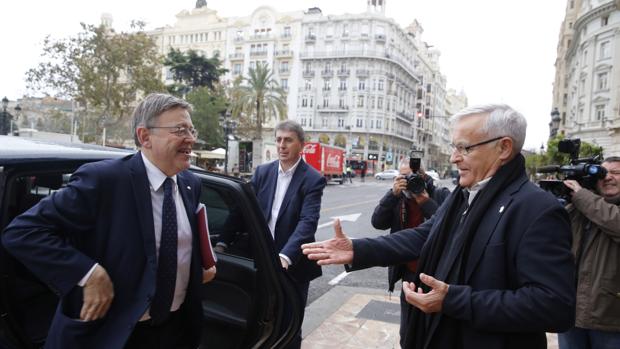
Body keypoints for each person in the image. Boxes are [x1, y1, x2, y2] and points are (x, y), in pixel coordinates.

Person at [302, 104, 575, 349]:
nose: (455, 158)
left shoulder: (537, 209)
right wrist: (357, 249)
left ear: (503, 148)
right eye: (454, 147)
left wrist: (453, 300)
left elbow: (554, 306)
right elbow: (425, 235)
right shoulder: (463, 194)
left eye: (464, 148)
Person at [2, 93, 216, 349]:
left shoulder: (191, 184)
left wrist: (199, 266)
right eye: (180, 130)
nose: (191, 138)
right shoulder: (105, 181)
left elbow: (177, 244)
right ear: (144, 136)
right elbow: (23, 232)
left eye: (192, 129)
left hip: (175, 331)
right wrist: (87, 273)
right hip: (113, 334)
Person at [251, 120, 327, 349]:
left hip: (292, 266)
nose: (282, 145)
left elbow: (307, 222)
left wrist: (285, 256)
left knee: (289, 328)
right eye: (278, 140)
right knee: (258, 320)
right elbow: (242, 211)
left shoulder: (313, 179)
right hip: (262, 261)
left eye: (288, 140)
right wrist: (223, 243)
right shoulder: (262, 172)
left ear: (301, 145)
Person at [371, 160, 450, 347]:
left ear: (422, 176)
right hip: (409, 273)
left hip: (435, 274)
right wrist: (392, 195)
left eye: (411, 177)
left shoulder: (440, 194)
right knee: (406, 333)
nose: (408, 181)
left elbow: (450, 228)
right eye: (403, 177)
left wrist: (425, 202)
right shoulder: (398, 198)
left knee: (432, 332)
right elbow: (377, 222)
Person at [559, 157, 620, 349]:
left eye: (616, 173)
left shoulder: (585, 200)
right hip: (572, 313)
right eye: (603, 173)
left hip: (610, 318)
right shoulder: (581, 205)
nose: (608, 177)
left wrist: (581, 195)